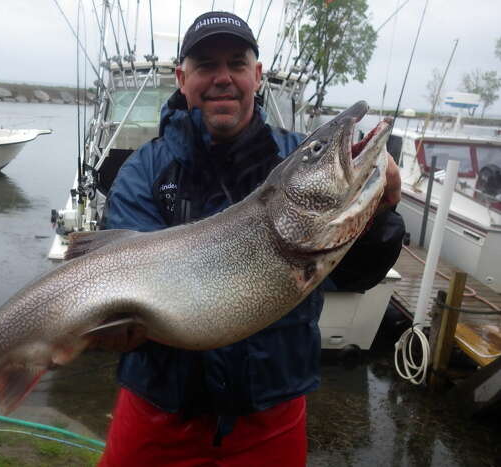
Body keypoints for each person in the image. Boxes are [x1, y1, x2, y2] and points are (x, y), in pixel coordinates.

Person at [97, 11, 405, 467]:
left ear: (256, 75)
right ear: (182, 78)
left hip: (269, 412)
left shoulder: (295, 158)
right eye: (205, 65)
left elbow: (358, 274)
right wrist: (108, 329)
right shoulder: (143, 170)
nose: (223, 78)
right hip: (157, 407)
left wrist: (379, 217)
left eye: (237, 63)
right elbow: (118, 279)